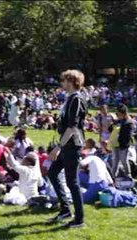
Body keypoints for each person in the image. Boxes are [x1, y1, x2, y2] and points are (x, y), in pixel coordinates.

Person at [48, 69, 87, 228]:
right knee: (52, 173)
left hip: (72, 145)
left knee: (72, 182)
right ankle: (65, 210)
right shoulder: (69, 99)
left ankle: (79, 220)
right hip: (67, 145)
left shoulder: (76, 99)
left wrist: (58, 147)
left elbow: (72, 127)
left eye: (64, 80)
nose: (62, 83)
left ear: (71, 81)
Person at [111, 104, 136, 181]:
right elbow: (111, 129)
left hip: (123, 145)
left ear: (123, 113)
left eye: (118, 114)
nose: (117, 115)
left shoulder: (129, 123)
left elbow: (128, 136)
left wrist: (123, 143)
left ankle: (128, 175)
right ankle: (113, 177)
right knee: (115, 161)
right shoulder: (119, 121)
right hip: (116, 144)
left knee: (124, 161)